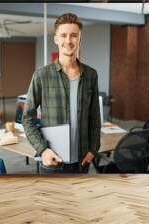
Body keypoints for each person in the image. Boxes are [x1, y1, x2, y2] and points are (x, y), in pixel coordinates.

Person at [22, 13, 101, 174]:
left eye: (73, 35)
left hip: (82, 161)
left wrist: (93, 149)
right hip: (53, 161)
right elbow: (27, 118)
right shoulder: (41, 76)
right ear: (56, 39)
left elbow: (95, 117)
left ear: (80, 38)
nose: (68, 41)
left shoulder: (91, 75)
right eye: (63, 35)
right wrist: (42, 149)